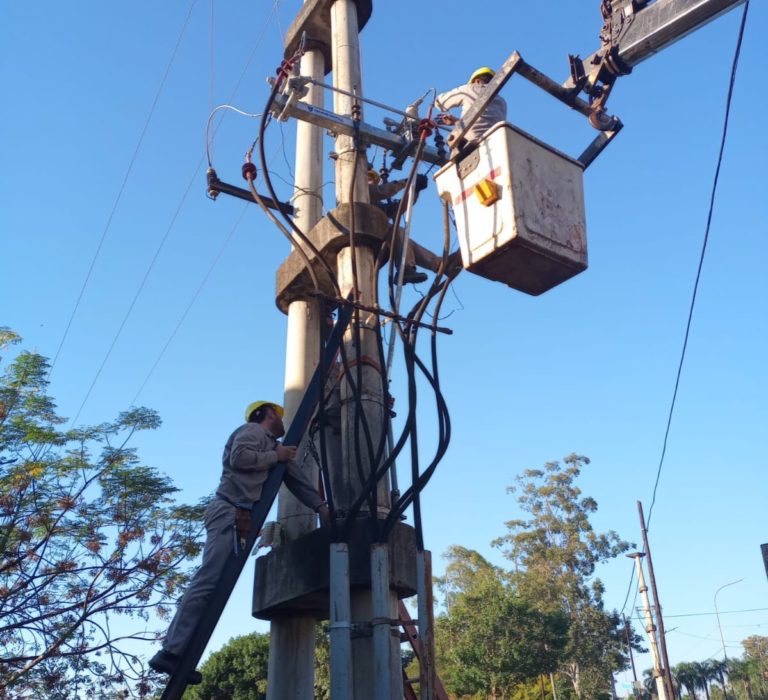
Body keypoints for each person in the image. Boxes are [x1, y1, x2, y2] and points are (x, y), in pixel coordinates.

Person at [148, 401, 330, 683]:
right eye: (279, 416)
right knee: (208, 582)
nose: (283, 423)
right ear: (269, 414)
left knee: (215, 585)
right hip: (228, 511)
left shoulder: (273, 447)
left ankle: (181, 653)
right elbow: (240, 458)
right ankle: (171, 651)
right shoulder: (252, 431)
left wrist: (320, 507)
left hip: (240, 518)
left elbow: (294, 479)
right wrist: (275, 455)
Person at [367, 168, 433, 284]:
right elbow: (381, 192)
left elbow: (397, 209)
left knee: (404, 241)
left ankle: (438, 264)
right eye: (369, 179)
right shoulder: (358, 190)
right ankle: (406, 269)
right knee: (398, 232)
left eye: (373, 180)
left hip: (374, 236)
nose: (372, 182)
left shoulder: (377, 207)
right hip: (361, 230)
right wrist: (407, 182)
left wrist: (415, 190)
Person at [436, 66, 508, 146]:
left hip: (472, 143)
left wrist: (436, 101)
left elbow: (441, 102)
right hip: (496, 143)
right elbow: (484, 123)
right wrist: (456, 122)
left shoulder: (470, 88)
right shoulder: (502, 102)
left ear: (476, 81)